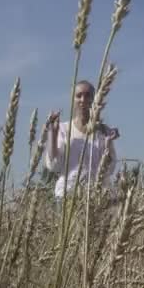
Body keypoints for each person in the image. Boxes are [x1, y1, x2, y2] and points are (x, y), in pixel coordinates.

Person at [44, 80, 119, 208]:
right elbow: (54, 166)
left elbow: (110, 169)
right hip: (68, 196)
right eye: (79, 95)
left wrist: (108, 144)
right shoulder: (63, 129)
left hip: (100, 198)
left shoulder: (104, 131)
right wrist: (52, 133)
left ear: (95, 99)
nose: (83, 99)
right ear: (72, 99)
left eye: (88, 95)